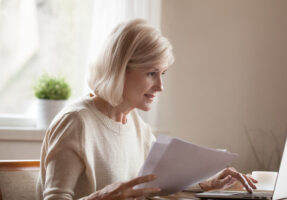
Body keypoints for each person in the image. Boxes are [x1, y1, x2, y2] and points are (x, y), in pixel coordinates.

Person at [36, 19, 257, 200]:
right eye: (151, 73)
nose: (160, 86)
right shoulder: (75, 122)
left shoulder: (137, 126)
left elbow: (157, 186)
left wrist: (206, 182)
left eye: (163, 74)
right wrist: (102, 198)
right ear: (120, 69)